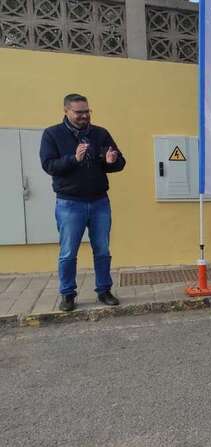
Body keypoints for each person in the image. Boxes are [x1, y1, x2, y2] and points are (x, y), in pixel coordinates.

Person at [40, 93, 126, 312]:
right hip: (70, 203)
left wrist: (112, 161)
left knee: (103, 249)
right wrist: (74, 159)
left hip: (99, 202)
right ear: (66, 111)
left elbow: (119, 163)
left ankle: (104, 290)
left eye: (87, 111)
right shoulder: (52, 134)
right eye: (79, 112)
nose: (84, 116)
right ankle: (68, 294)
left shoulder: (100, 134)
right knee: (68, 252)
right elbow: (49, 165)